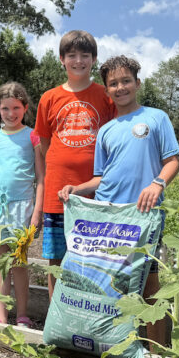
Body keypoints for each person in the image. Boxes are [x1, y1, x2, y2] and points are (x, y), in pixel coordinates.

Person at [58, 55, 179, 347]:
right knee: (107, 282)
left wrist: (157, 183)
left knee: (150, 286)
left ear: (138, 83)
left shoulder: (156, 117)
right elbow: (102, 178)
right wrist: (78, 188)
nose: (120, 87)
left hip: (142, 216)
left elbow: (172, 161)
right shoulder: (106, 131)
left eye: (126, 81)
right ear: (107, 89)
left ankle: (156, 351)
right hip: (107, 217)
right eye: (113, 83)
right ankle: (107, 343)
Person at [34, 30, 117, 300]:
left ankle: (86, 316)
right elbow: (45, 144)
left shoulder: (106, 96)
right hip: (58, 193)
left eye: (85, 55)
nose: (78, 61)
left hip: (96, 192)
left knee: (93, 260)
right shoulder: (49, 98)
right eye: (72, 55)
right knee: (57, 260)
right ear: (61, 59)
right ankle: (55, 316)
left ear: (93, 60)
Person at [0, 82, 44, 328]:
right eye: (5, 108)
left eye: (16, 107)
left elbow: (41, 178)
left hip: (22, 209)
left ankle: (23, 314)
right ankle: (2, 316)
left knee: (19, 263)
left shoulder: (32, 135)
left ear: (25, 108)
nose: (11, 113)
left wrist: (37, 211)